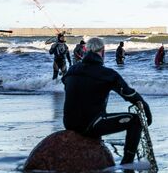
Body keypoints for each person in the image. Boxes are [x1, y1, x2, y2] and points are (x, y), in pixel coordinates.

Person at [62, 37, 153, 165]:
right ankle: (127, 164)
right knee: (136, 121)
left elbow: (65, 83)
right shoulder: (107, 74)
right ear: (103, 51)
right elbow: (128, 94)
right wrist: (146, 109)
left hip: (69, 123)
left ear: (86, 51)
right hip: (92, 125)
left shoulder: (71, 70)